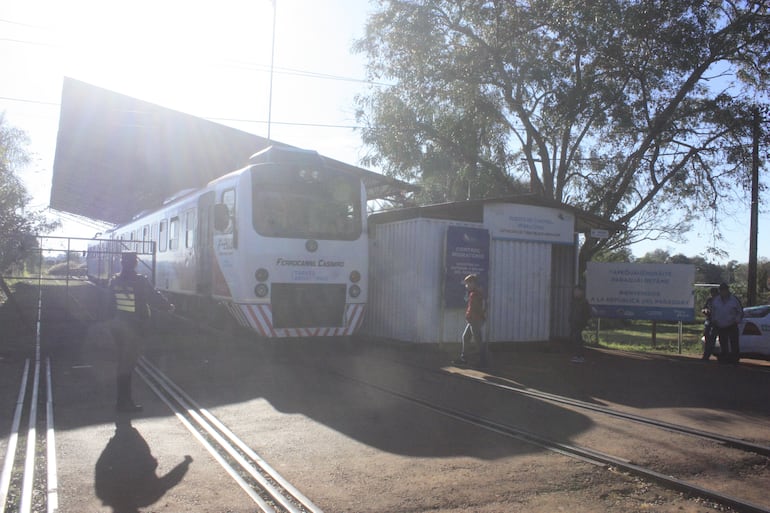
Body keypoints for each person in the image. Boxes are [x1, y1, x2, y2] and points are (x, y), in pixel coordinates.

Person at [109, 252, 174, 412]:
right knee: (128, 366)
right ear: (135, 263)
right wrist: (169, 307)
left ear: (122, 263)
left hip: (118, 327)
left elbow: (108, 303)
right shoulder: (140, 281)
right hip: (134, 328)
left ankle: (121, 401)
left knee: (122, 365)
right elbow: (153, 297)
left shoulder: (114, 280)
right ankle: (125, 403)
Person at [453, 274, 488, 368]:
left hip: (475, 320)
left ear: (473, 283)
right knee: (465, 337)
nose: (466, 286)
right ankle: (464, 358)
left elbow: (476, 308)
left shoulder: (476, 294)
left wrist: (473, 317)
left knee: (478, 341)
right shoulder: (475, 293)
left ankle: (483, 361)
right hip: (473, 320)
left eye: (467, 284)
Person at [709, 282, 743, 364]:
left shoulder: (734, 300)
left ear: (727, 290)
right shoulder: (716, 300)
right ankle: (725, 358)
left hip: (732, 324)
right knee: (723, 342)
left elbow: (740, 311)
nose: (723, 292)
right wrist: (714, 319)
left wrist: (737, 320)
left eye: (724, 290)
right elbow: (713, 311)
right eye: (721, 290)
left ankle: (735, 359)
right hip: (720, 325)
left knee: (734, 343)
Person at [568, 286, 592, 363]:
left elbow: (587, 314)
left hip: (579, 324)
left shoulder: (584, 302)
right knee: (574, 339)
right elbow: (572, 312)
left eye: (577, 291)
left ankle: (580, 356)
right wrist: (570, 319)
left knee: (577, 339)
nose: (575, 293)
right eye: (575, 291)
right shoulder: (573, 301)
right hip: (573, 323)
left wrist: (583, 322)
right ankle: (576, 355)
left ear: (581, 292)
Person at [701, 287, 719, 361]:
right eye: (712, 293)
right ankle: (707, 353)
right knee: (706, 336)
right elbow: (704, 308)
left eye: (714, 293)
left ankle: (708, 353)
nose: (712, 295)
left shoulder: (719, 301)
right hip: (708, 320)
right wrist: (705, 311)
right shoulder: (709, 300)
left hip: (716, 321)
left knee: (713, 337)